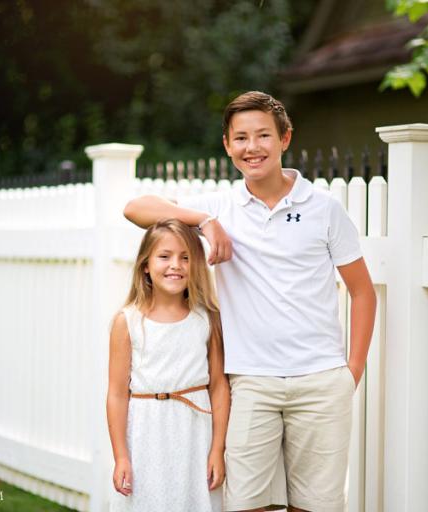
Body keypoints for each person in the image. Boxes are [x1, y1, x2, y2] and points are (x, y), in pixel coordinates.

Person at [123, 91, 377, 512]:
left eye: (263, 135)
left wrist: (352, 371)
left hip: (320, 379)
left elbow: (362, 291)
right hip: (249, 382)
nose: (252, 147)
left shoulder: (324, 209)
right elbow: (136, 208)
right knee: (245, 504)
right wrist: (205, 222)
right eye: (240, 138)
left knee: (316, 506)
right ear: (227, 145)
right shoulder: (221, 206)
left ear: (285, 139)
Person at [106, 219, 230, 512]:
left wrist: (217, 449)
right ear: (145, 265)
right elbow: (116, 394)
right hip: (145, 433)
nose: (176, 265)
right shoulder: (128, 321)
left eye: (185, 258)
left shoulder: (207, 318)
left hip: (195, 435)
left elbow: (219, 386)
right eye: (165, 256)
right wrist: (121, 456)